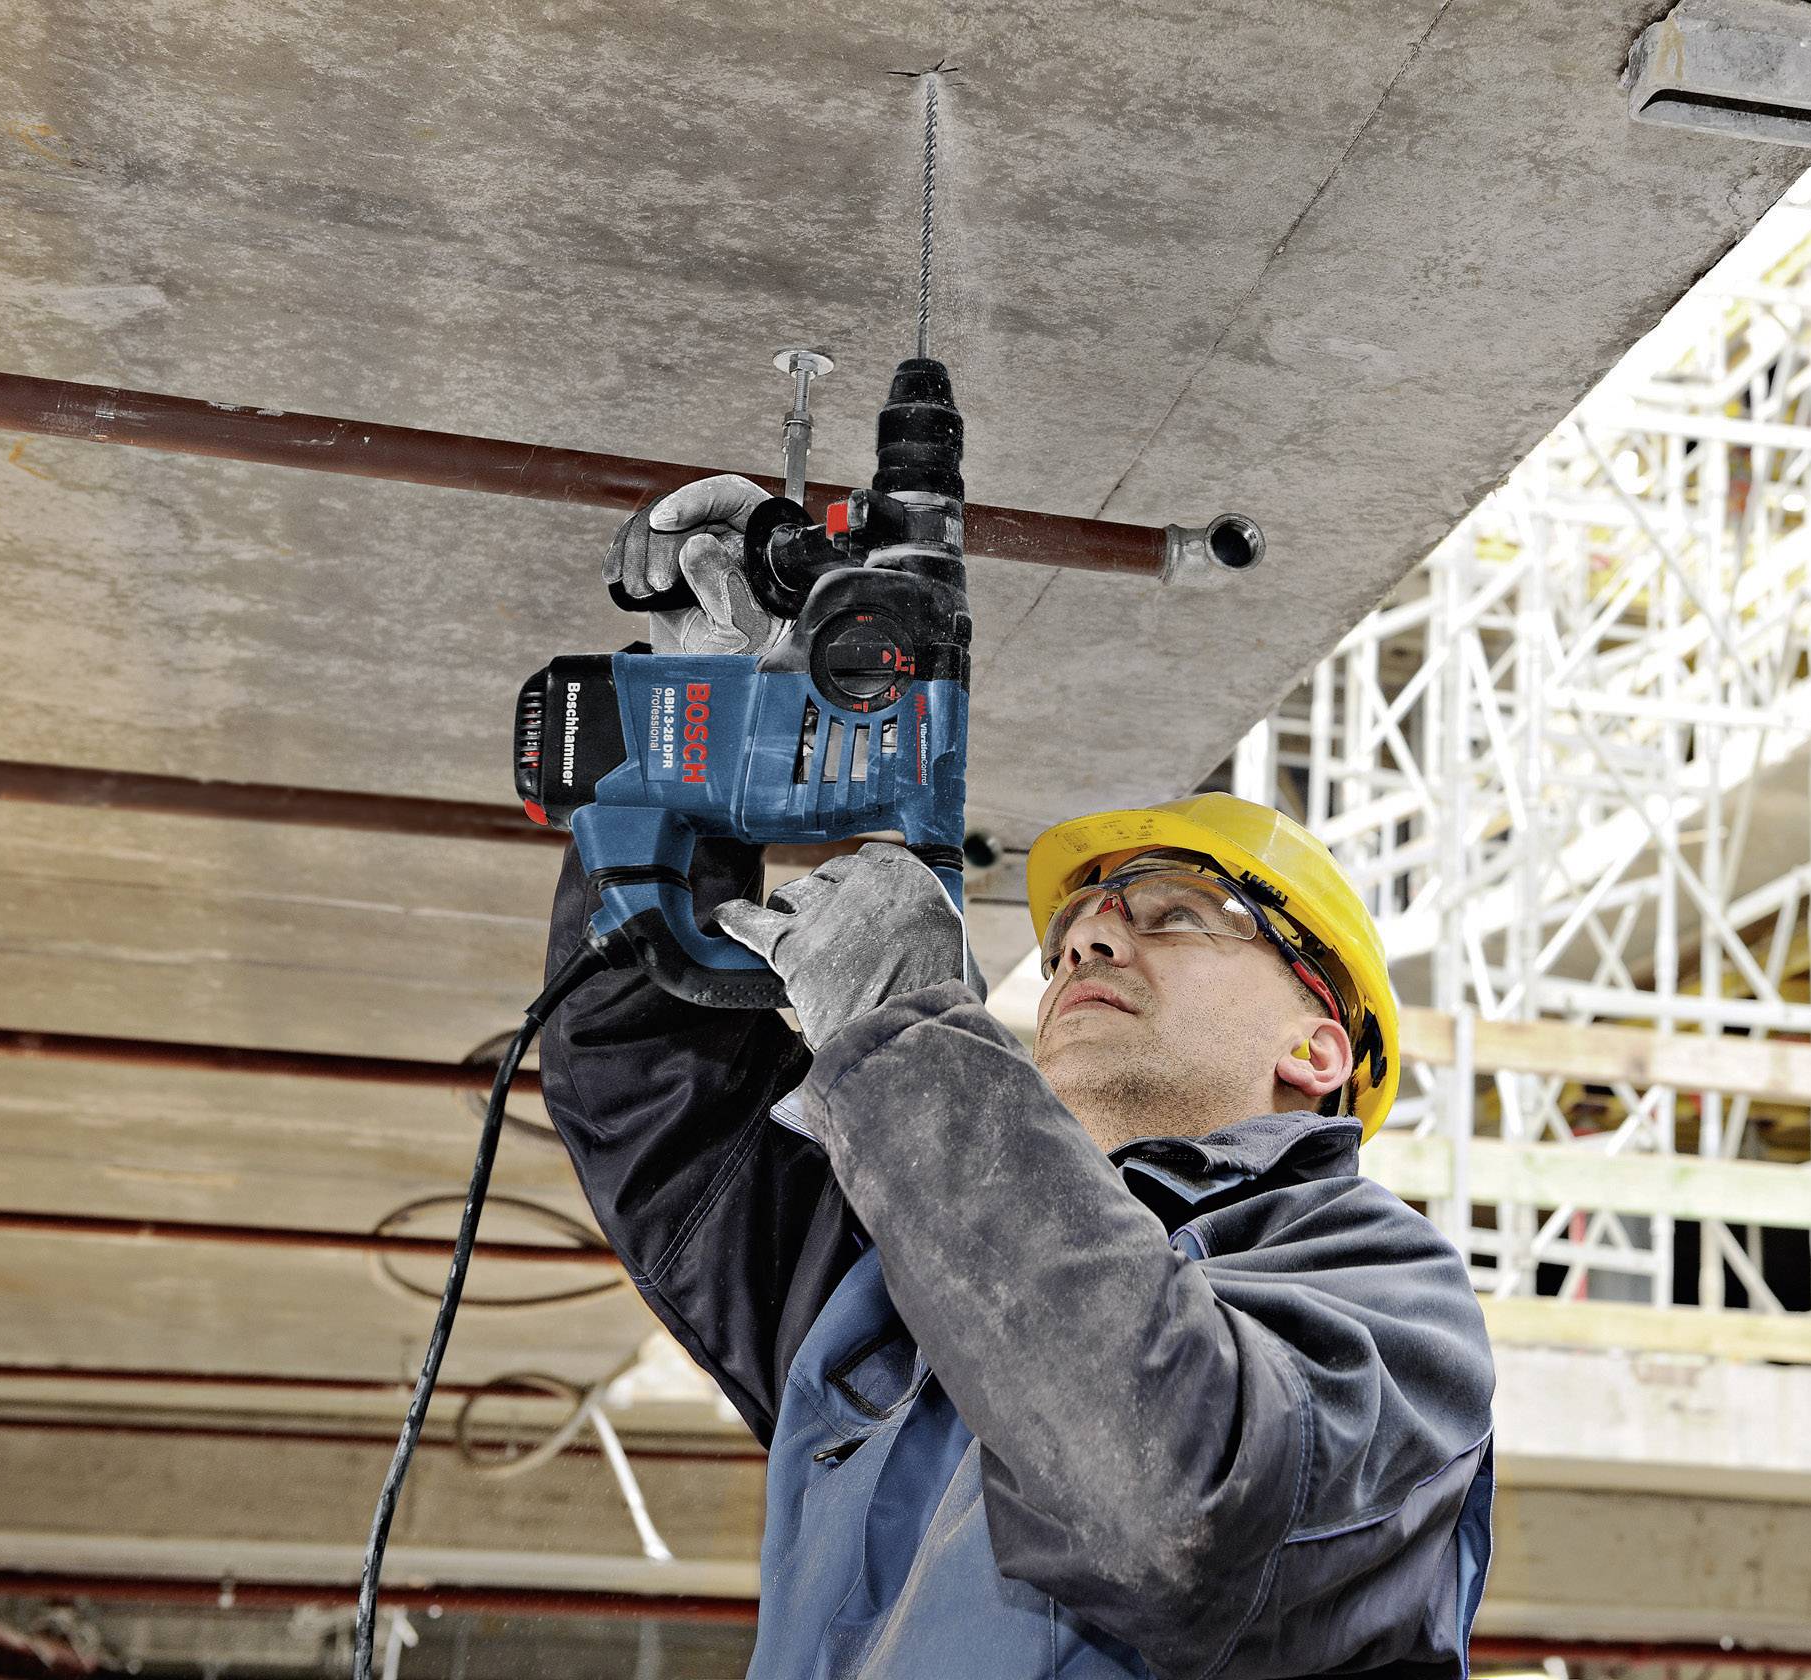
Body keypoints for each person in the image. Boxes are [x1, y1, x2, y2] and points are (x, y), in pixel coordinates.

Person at [541, 476, 1495, 1679]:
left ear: (1319, 1047)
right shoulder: (907, 1282)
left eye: (1181, 913)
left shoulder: (1386, 1301)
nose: (1093, 937)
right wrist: (693, 758)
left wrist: (905, 1039)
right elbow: (654, 1100)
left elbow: (1173, 1507)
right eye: (1079, 927)